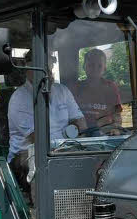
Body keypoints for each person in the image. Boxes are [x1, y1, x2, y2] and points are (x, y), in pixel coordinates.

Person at [7, 54, 86, 197]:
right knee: (42, 163)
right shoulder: (19, 98)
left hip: (63, 148)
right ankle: (40, 213)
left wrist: (71, 135)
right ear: (28, 70)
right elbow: (37, 138)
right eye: (42, 69)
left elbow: (81, 123)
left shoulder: (62, 91)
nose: (47, 73)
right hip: (26, 155)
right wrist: (69, 135)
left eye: (49, 68)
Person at [70, 48, 122, 132]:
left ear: (104, 68)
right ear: (84, 67)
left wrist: (116, 129)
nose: (95, 69)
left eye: (99, 66)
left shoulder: (110, 88)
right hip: (80, 134)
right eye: (91, 65)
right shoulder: (76, 88)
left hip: (104, 133)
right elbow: (71, 117)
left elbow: (117, 116)